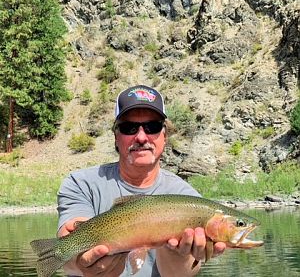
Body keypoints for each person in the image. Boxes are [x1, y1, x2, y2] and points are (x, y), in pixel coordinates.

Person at [57, 85, 226, 277]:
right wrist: (81, 263)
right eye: (129, 128)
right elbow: (69, 256)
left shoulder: (186, 197)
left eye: (152, 127)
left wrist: (178, 253)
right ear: (116, 136)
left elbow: (180, 275)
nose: (141, 137)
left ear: (164, 136)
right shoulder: (80, 183)